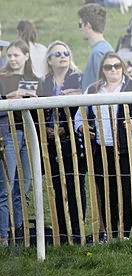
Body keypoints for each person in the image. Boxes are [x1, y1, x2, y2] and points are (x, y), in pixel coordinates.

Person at [74, 51, 132, 240]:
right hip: (101, 149)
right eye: (108, 67)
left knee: (126, 189)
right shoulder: (93, 90)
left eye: (117, 66)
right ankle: (111, 233)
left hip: (128, 150)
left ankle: (125, 234)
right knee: (105, 190)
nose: (113, 70)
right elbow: (79, 116)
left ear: (123, 68)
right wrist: (82, 127)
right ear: (102, 70)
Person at [40, 41, 86, 244]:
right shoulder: (43, 82)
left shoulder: (80, 79)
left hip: (73, 141)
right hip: (49, 140)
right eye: (57, 53)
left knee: (76, 184)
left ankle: (77, 231)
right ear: (49, 60)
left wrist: (65, 128)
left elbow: (85, 113)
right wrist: (44, 129)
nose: (62, 56)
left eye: (66, 52)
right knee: (57, 186)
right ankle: (62, 232)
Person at [0, 40, 40, 245]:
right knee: (6, 187)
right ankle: (3, 236)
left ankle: (20, 233)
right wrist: (8, 98)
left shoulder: (34, 79)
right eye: (10, 55)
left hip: (29, 134)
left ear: (26, 56)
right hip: (8, 133)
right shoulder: (2, 78)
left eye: (16, 55)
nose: (13, 59)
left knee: (23, 188)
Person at [77, 4, 114, 92]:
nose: (80, 29)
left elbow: (104, 88)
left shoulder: (98, 53)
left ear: (88, 25)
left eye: (80, 25)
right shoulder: (102, 49)